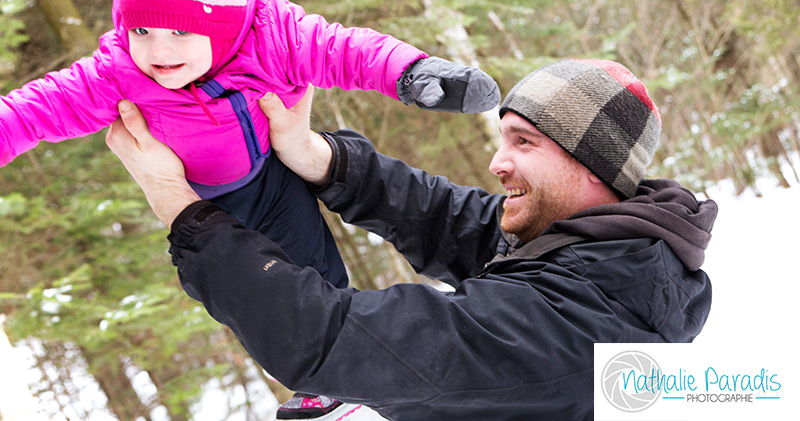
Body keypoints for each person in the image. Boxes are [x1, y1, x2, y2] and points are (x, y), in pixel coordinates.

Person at [0, 0, 499, 419]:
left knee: (311, 273)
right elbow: (33, 110)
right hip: (207, 203)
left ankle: (338, 377)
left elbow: (346, 50)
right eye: (141, 30)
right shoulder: (118, 74)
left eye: (179, 31)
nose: (157, 51)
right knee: (254, 302)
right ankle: (314, 383)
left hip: (273, 177)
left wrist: (412, 75)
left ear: (225, 22)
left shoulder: (273, 36)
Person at [105, 58, 715, 420]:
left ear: (593, 168)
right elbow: (450, 218)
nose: (498, 162)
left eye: (524, 143)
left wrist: (180, 206)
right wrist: (320, 158)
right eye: (502, 138)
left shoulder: (575, 326)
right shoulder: (612, 253)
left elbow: (329, 339)